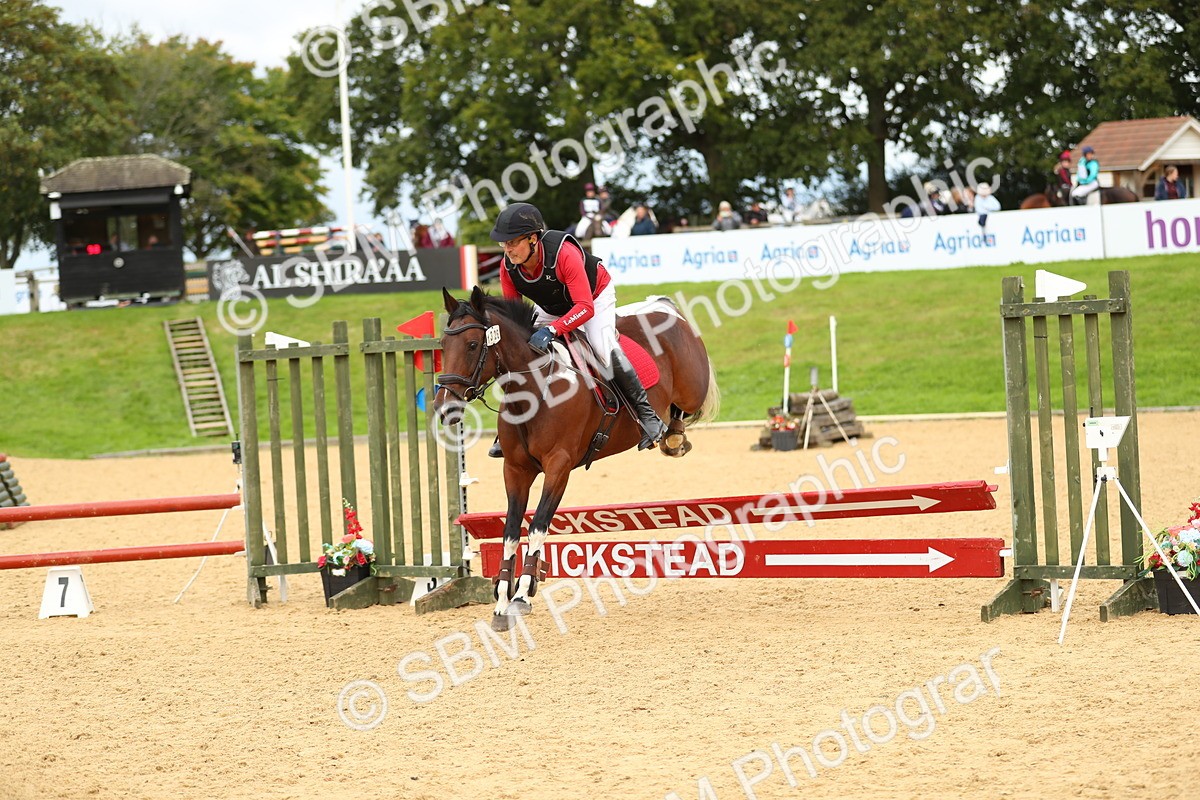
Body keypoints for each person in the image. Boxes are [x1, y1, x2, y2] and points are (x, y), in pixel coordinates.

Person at [484, 203, 667, 457]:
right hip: (553, 305)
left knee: (603, 347)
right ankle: (511, 428)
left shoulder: (564, 254)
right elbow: (514, 316)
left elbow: (584, 307)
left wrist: (552, 330)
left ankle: (648, 418)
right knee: (520, 352)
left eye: (512, 242)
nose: (507, 249)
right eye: (504, 244)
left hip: (593, 297)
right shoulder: (508, 266)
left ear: (533, 239)